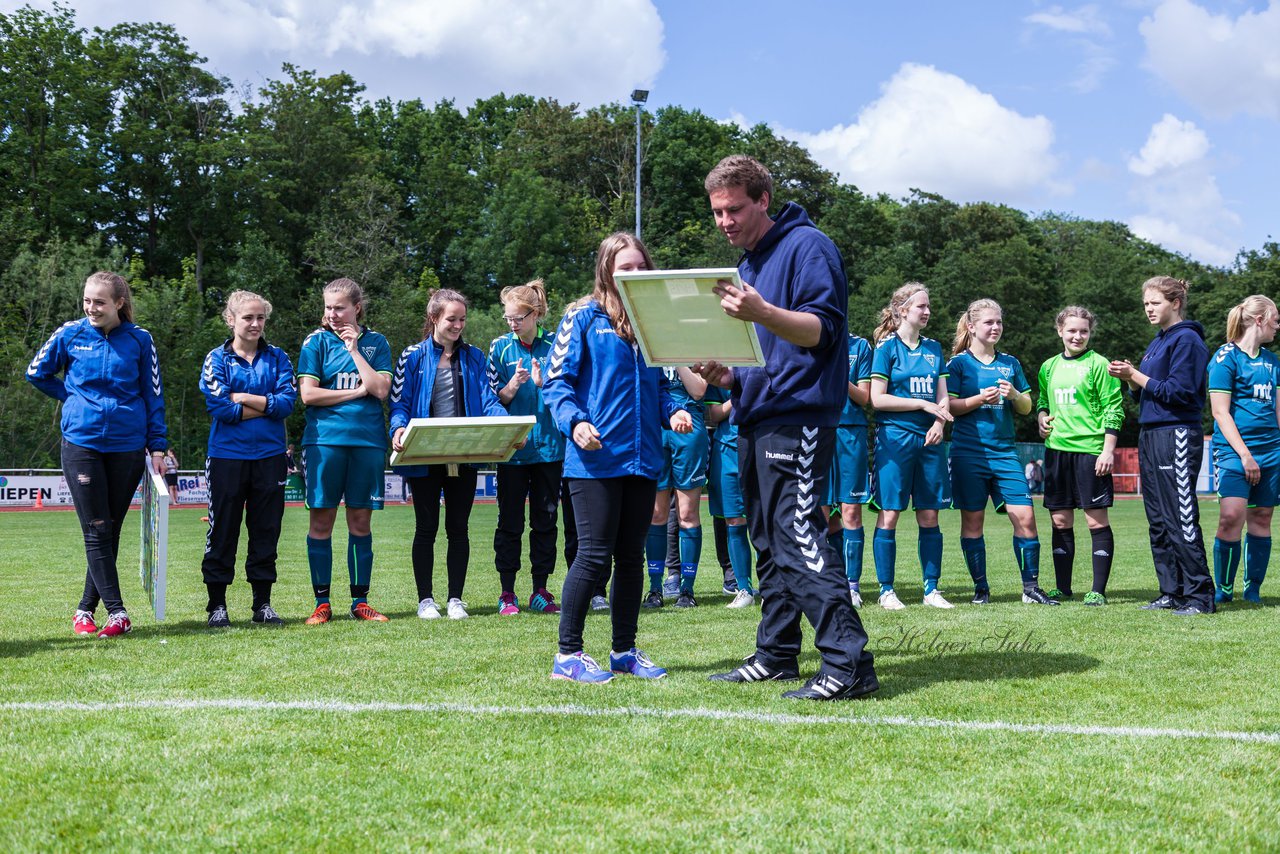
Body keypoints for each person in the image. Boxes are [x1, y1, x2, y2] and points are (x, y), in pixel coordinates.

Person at [696, 154, 878, 701]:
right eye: (716, 213)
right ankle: (776, 654)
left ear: (763, 201)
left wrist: (763, 312)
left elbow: (822, 331)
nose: (725, 221)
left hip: (798, 417)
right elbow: (764, 355)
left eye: (734, 209)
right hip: (755, 414)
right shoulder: (747, 266)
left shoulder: (808, 247)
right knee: (768, 541)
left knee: (798, 533)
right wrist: (727, 375)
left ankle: (850, 666)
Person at [543, 232, 691, 683]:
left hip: (644, 459)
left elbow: (661, 387)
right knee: (592, 556)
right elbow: (556, 383)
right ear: (607, 269)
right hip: (594, 460)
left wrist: (675, 409)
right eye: (626, 267)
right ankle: (568, 656)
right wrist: (575, 422)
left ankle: (623, 651)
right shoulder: (582, 316)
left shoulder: (651, 323)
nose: (635, 275)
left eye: (641, 268)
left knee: (630, 558)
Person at [27, 271, 168, 639]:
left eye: (100, 302)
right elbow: (35, 372)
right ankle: (118, 612)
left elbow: (153, 396)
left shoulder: (140, 340)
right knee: (97, 528)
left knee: (110, 529)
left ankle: (84, 610)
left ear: (119, 303)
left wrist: (157, 445)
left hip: (127, 445)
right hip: (82, 443)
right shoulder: (69, 333)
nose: (91, 308)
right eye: (87, 300)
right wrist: (73, 399)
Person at [391, 289, 513, 621]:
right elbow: (399, 404)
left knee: (459, 528)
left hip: (465, 454)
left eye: (462, 319)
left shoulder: (475, 356)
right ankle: (425, 600)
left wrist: (505, 427)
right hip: (423, 454)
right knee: (425, 527)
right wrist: (398, 430)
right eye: (451, 319)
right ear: (434, 318)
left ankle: (456, 599)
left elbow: (489, 400)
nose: (458, 325)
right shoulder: (412, 356)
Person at [1109, 277, 1213, 614]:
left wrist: (1135, 375)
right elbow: (1146, 393)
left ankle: (1200, 596)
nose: (1149, 309)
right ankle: (1172, 591)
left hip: (1177, 433)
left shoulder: (1188, 341)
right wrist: (1130, 380)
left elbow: (1180, 393)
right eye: (1146, 304)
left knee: (1180, 516)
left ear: (1176, 302)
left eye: (1155, 302)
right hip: (1151, 433)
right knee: (1158, 519)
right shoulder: (1157, 342)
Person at [946, 299, 1055, 606]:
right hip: (969, 453)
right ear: (971, 327)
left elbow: (1026, 407)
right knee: (973, 522)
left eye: (999, 322)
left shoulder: (1011, 363)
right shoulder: (958, 364)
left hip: (1005, 453)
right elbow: (949, 407)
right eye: (988, 323)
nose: (995, 328)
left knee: (1025, 517)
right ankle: (981, 589)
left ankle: (1030, 588)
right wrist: (978, 399)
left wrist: (1015, 394)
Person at [198, 290, 296, 627]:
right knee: (222, 531)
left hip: (270, 457)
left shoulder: (279, 357)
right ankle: (217, 607)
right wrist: (266, 405)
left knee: (266, 531)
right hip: (226, 457)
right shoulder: (215, 359)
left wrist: (244, 397)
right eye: (247, 317)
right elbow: (220, 408)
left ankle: (262, 605)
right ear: (231, 320)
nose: (255, 324)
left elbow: (287, 405)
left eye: (260, 318)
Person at [297, 277, 393, 624]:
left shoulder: (376, 343)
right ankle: (321, 603)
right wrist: (354, 393)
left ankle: (360, 601)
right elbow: (309, 395)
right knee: (321, 522)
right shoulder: (316, 342)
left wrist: (354, 351)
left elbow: (380, 389)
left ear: (357, 308)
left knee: (360, 522)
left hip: (367, 442)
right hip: (324, 441)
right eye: (328, 307)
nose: (333, 314)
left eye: (340, 307)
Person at [868, 283, 955, 610]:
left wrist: (938, 422)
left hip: (931, 439)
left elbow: (943, 396)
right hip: (895, 438)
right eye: (921, 306)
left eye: (928, 306)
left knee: (930, 514)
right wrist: (921, 404)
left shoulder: (934, 348)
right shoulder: (887, 349)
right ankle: (886, 590)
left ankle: (932, 590)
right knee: (890, 513)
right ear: (903, 311)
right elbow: (878, 399)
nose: (927, 311)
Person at [487, 279, 566, 616]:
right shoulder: (499, 348)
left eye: (518, 318)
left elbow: (567, 394)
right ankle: (507, 593)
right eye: (508, 319)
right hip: (513, 450)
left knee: (546, 522)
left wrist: (542, 384)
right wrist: (513, 385)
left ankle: (541, 590)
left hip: (550, 449)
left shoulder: (558, 345)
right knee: (509, 522)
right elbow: (492, 400)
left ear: (535, 314)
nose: (513, 324)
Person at [1036, 306, 1123, 605]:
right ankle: (1062, 587)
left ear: (1090, 333)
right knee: (1060, 521)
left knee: (1095, 522)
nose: (1077, 336)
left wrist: (1108, 450)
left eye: (1083, 331)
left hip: (1090, 452)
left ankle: (1097, 591)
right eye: (1071, 330)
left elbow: (1114, 408)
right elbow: (1043, 400)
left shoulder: (1099, 364)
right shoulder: (1048, 366)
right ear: (1060, 330)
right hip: (1056, 453)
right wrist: (1041, 416)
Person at [1206, 295, 1279, 604]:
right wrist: (1245, 455)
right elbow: (1220, 413)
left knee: (1262, 517)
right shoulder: (1225, 358)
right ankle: (1223, 590)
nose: (1278, 325)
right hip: (1235, 453)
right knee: (1231, 517)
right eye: (1275, 319)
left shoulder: (1273, 361)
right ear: (1259, 320)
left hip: (1272, 452)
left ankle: (1253, 590)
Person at [645, 367, 708, 608]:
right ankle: (654, 588)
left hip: (689, 425)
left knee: (687, 514)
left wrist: (678, 358)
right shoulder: (645, 339)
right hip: (655, 426)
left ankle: (687, 589)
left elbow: (699, 390)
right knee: (656, 513)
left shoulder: (689, 340)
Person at [830, 331, 873, 608]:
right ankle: (827, 582)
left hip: (850, 434)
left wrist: (838, 378)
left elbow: (865, 397)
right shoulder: (807, 339)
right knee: (820, 515)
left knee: (851, 511)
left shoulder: (860, 346)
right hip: (817, 430)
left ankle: (852, 585)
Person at [705, 387, 757, 607]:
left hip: (760, 443)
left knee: (763, 522)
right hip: (726, 448)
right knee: (734, 520)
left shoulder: (765, 362)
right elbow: (713, 414)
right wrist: (740, 396)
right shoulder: (719, 368)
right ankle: (743, 589)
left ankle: (773, 587)